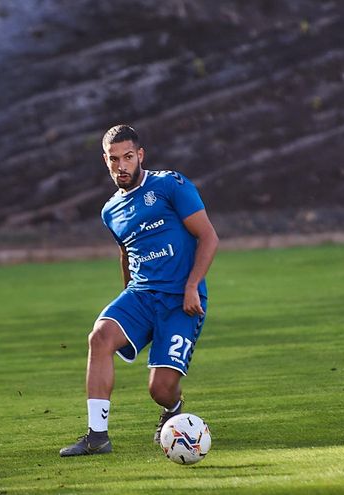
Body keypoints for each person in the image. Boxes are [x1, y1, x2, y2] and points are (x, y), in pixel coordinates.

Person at [60, 124, 219, 456]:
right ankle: (97, 437)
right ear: (105, 161)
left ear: (140, 156)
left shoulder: (169, 185)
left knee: (160, 389)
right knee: (99, 336)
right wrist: (127, 299)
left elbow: (208, 236)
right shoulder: (110, 211)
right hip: (141, 294)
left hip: (180, 298)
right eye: (114, 159)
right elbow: (125, 253)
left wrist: (192, 286)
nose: (122, 165)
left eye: (128, 157)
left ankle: (172, 409)